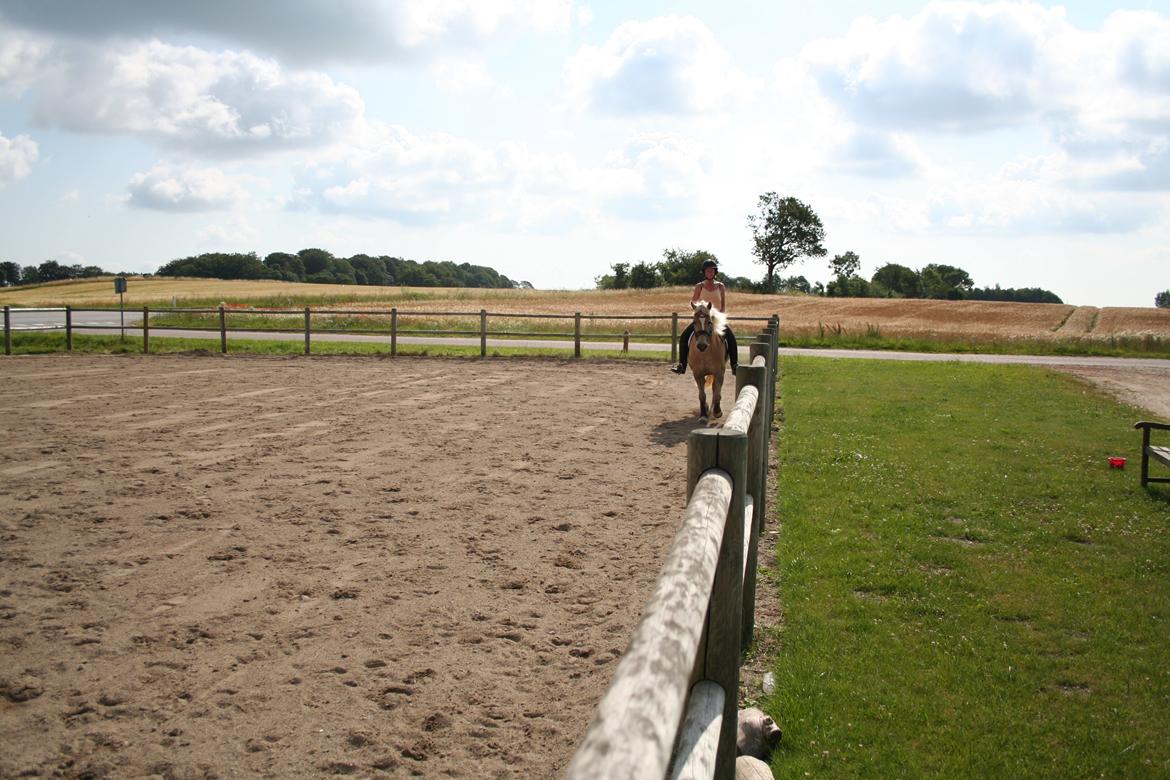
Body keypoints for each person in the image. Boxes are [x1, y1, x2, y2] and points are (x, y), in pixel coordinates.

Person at [671, 259, 738, 374]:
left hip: (716, 319)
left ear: (715, 272)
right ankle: (682, 365)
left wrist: (719, 317)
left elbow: (722, 306)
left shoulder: (720, 286)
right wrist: (699, 311)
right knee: (684, 336)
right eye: (707, 271)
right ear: (704, 272)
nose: (710, 273)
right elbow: (693, 303)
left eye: (712, 271)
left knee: (731, 338)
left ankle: (734, 365)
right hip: (701, 318)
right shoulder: (699, 286)